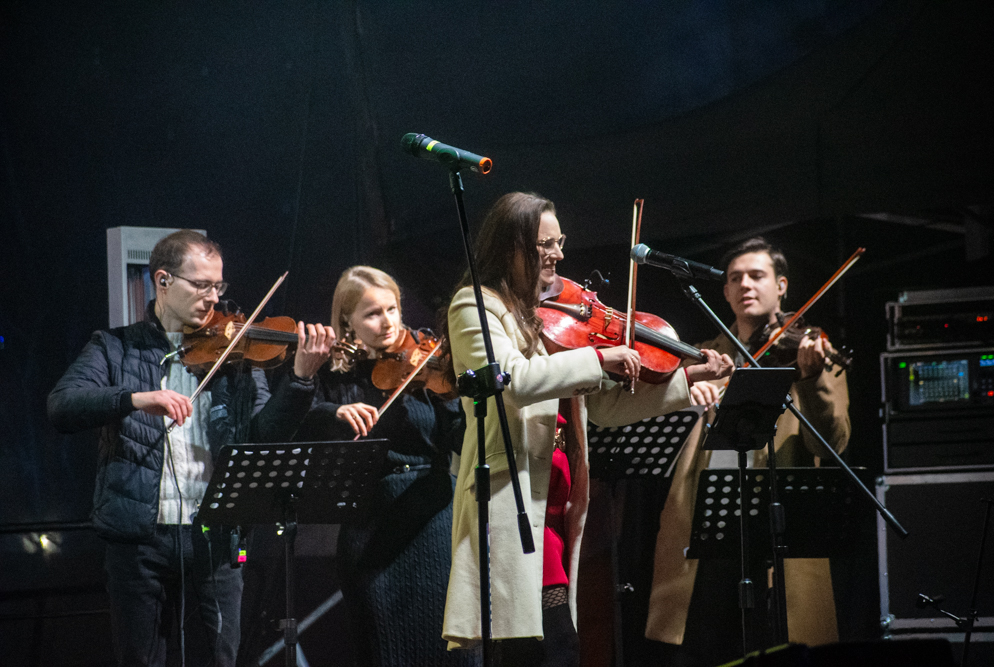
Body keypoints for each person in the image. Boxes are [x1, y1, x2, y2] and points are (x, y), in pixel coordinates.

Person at [441, 192, 733, 666]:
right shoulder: (476, 307)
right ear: (513, 247)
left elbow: (604, 411)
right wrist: (598, 357)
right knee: (539, 650)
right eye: (545, 245)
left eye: (560, 242)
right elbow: (514, 382)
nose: (558, 255)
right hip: (510, 498)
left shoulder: (549, 316)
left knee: (556, 646)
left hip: (556, 497)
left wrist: (685, 378)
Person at [47, 229, 336, 667]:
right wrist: (134, 399)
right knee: (141, 659)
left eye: (218, 286)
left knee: (221, 658)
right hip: (139, 539)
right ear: (163, 281)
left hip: (215, 537)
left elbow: (262, 439)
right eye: (201, 285)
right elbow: (62, 405)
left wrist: (299, 380)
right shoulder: (114, 347)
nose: (213, 299)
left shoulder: (237, 356)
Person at [645, 237, 851, 665]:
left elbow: (832, 444)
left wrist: (811, 381)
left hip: (776, 523)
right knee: (705, 646)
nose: (745, 285)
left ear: (781, 286)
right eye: (735, 278)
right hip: (710, 521)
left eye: (757, 276)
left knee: (775, 645)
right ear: (723, 292)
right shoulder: (709, 355)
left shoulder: (807, 351)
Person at [295, 266, 478, 667]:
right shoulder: (334, 376)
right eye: (372, 313)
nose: (388, 322)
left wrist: (461, 399)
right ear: (347, 322)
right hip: (371, 528)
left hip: (434, 519)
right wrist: (334, 412)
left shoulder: (427, 365)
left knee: (453, 652)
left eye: (392, 309)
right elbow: (301, 428)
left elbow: (462, 442)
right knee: (387, 651)